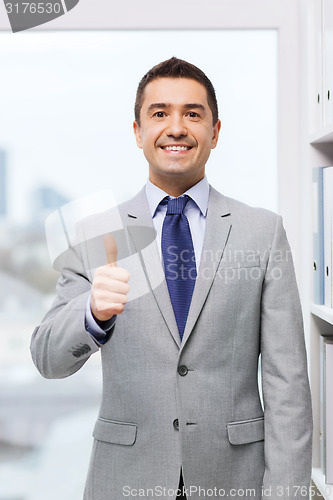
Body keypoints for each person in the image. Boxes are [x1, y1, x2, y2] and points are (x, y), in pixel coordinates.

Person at [31, 57, 312, 500]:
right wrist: (91, 313)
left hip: (235, 481)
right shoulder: (96, 233)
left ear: (215, 132)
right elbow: (48, 358)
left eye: (192, 114)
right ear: (138, 131)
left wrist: (287, 494)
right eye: (159, 113)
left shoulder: (263, 231)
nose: (176, 127)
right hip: (124, 479)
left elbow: (287, 383)